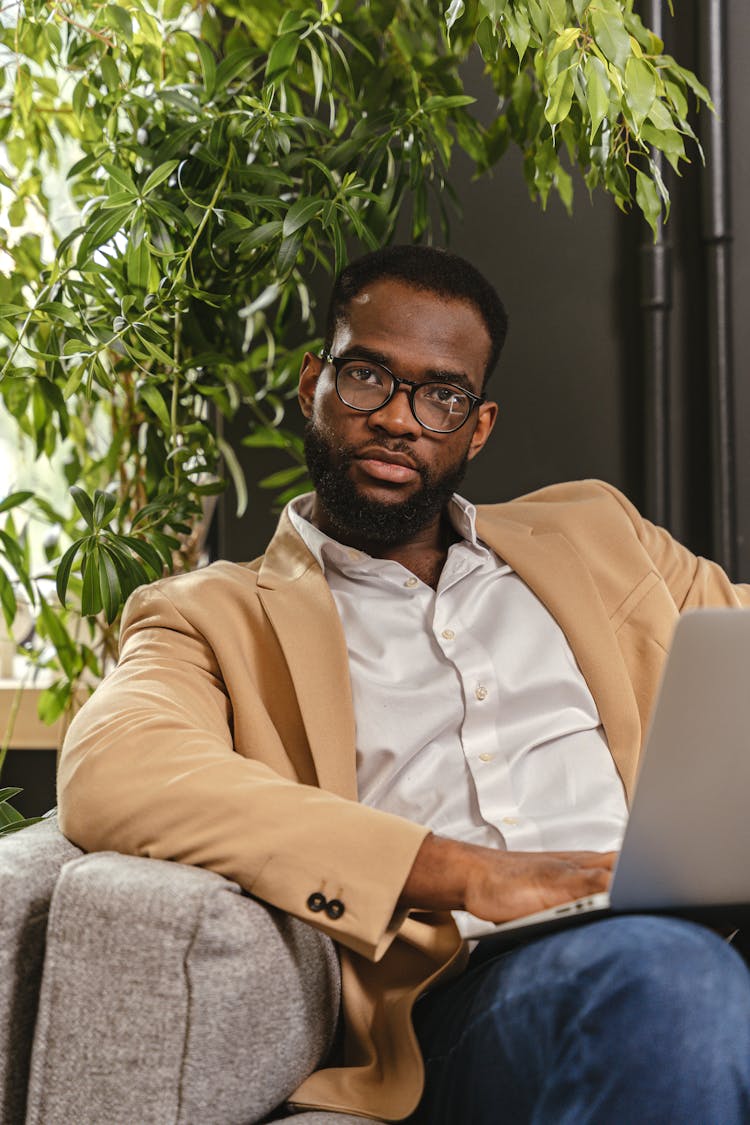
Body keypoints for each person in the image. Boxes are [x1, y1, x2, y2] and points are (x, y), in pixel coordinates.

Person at [58, 245, 750, 1123]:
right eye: (367, 377)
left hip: (704, 930)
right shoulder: (214, 615)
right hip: (475, 994)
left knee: (688, 971)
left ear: (479, 425)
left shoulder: (601, 534)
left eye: (442, 395)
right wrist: (464, 873)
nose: (398, 418)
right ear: (314, 380)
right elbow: (114, 769)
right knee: (670, 981)